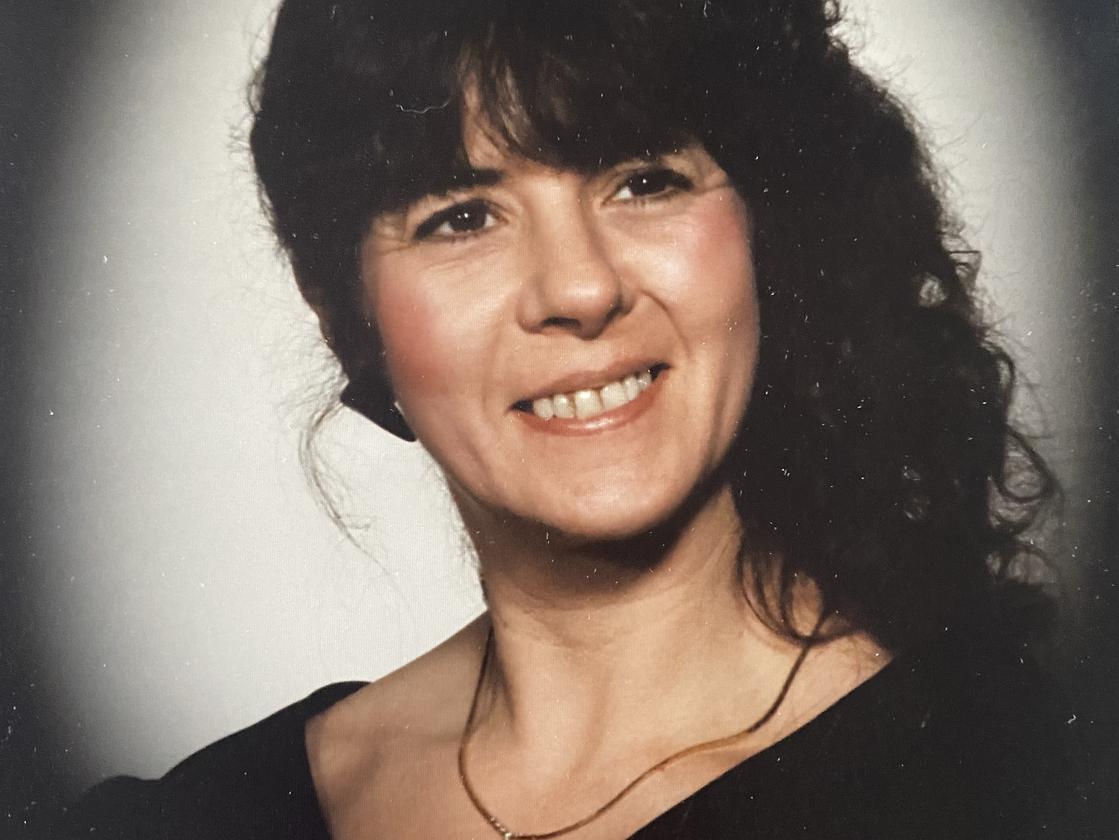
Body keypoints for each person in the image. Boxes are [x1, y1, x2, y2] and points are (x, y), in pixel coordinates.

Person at [56, 0, 1083, 837]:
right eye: (462, 217)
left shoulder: (1021, 779)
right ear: (344, 316)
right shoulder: (198, 819)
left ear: (763, 233)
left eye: (645, 181)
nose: (581, 289)